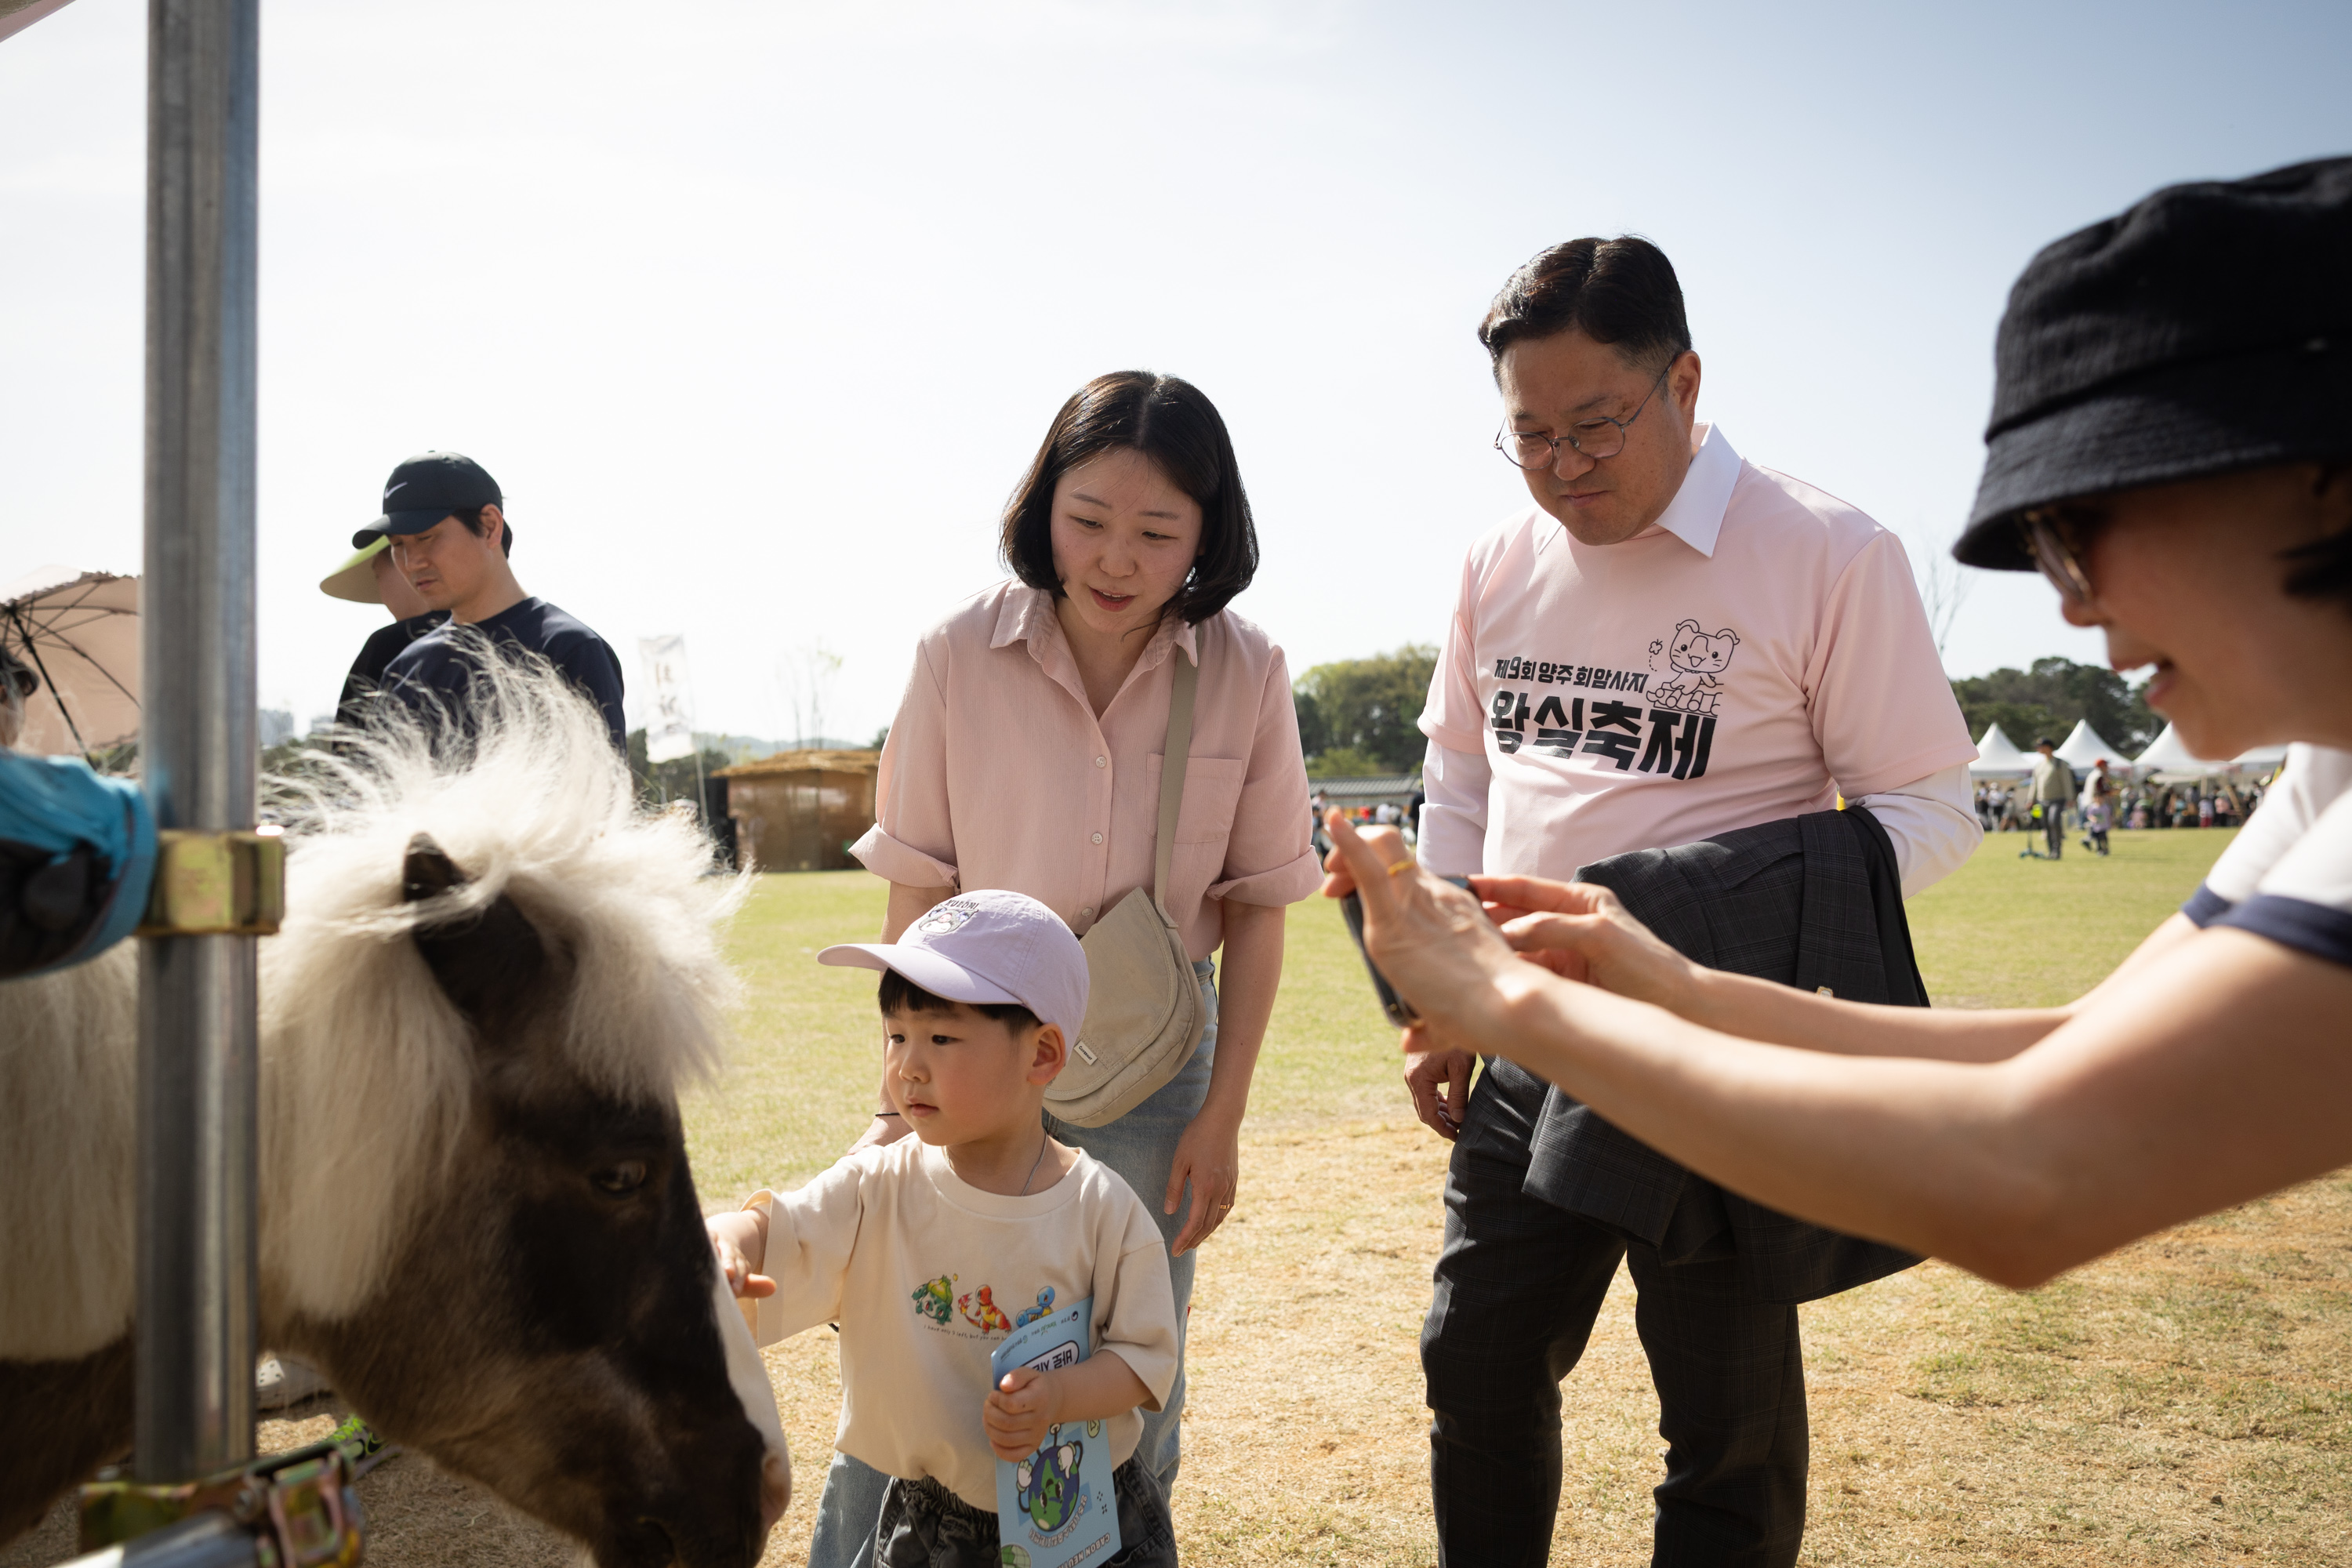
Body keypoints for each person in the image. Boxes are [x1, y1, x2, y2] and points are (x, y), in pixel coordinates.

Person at [1321, 157, 2352, 1319]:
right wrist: (1669, 979)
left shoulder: (1826, 549)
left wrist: (1510, 1004)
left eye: (2082, 531)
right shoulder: (2330, 774)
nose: (2071, 607)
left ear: (2317, 479)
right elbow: (2075, 1041)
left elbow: (2033, 1178)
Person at [1406, 236, 1981, 1567]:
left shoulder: (1827, 551)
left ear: (1684, 383)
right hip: (1532, 1039)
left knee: (1725, 1430)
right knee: (1473, 1361)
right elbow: (1463, 781)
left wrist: (1690, 920)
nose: (1564, 464)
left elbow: (1929, 812)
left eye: (1597, 423)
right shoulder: (1499, 559)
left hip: (1716, 1056)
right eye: (1530, 434)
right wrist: (1445, 991)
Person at [820, 371, 1318, 1566]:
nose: (1116, 558)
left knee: (1130, 1370)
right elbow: (916, 889)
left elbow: (1259, 909)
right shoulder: (956, 653)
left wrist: (1224, 1116)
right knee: (925, 1349)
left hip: (1159, 1076)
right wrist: (898, 1090)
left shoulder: (1247, 669)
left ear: (1209, 535)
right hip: (975, 1051)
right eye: (1088, 518)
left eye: (1159, 531)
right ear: (1043, 502)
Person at [707, 891, 1178, 1567]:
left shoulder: (1102, 1209)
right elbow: (779, 1228)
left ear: (1043, 1054)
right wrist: (725, 1241)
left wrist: (1058, 1397)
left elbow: (1142, 1359)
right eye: (897, 1035)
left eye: (941, 1038)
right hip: (933, 1524)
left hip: (1082, 1507)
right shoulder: (878, 1186)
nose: (908, 1066)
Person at [358, 452, 627, 753]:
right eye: (397, 545)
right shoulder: (405, 672)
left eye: (425, 537)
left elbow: (599, 782)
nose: (411, 562)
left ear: (489, 526)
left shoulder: (569, 650)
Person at [322, 531, 448, 725]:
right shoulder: (486, 626)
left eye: (377, 576)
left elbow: (351, 738)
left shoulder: (389, 644)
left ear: (402, 565)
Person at [2029, 737, 2076, 858]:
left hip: (2057, 799)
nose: (2039, 749)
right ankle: (2050, 851)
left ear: (2048, 747)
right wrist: (2030, 799)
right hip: (2042, 800)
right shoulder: (2039, 765)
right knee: (2046, 825)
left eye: (2041, 746)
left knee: (2054, 821)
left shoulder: (2060, 764)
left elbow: (2067, 781)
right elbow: (2034, 784)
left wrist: (2070, 798)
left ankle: (2057, 850)